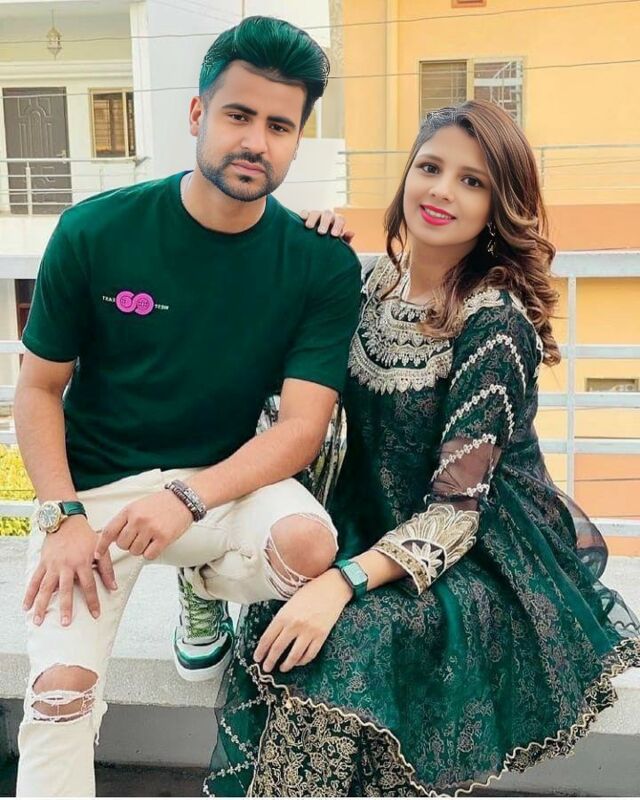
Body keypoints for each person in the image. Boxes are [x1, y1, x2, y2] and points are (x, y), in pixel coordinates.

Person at [204, 100, 640, 797]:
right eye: (430, 167)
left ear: (498, 206)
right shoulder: (367, 286)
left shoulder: (494, 323)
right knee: (282, 621)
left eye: (472, 181)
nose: (441, 191)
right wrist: (305, 255)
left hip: (480, 552)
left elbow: (457, 512)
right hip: (364, 525)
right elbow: (285, 393)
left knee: (349, 639)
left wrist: (340, 583)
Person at [14, 16, 361, 798]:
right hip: (95, 493)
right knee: (60, 695)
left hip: (217, 487)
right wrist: (62, 515)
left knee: (308, 544)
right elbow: (37, 388)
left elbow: (302, 428)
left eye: (279, 126)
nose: (256, 141)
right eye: (239, 115)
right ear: (198, 113)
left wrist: (187, 497)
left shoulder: (319, 264)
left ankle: (202, 588)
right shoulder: (96, 230)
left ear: (297, 140)